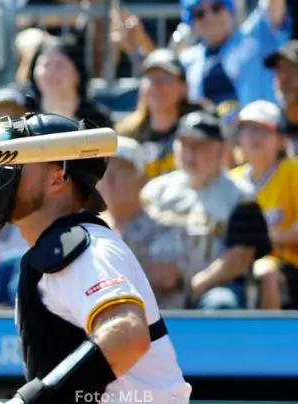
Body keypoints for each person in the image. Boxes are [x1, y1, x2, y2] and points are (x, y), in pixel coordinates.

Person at [0, 113, 212, 404]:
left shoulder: (85, 245)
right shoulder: (54, 250)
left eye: (13, 160)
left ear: (58, 175)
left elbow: (128, 331)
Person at [141, 110, 271, 309]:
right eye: (184, 143)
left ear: (221, 150)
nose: (190, 152)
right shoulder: (154, 192)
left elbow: (242, 253)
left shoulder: (241, 194)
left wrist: (201, 282)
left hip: (215, 286)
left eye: (200, 145)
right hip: (157, 285)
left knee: (221, 303)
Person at [98, 137, 197, 310]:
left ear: (142, 179)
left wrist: (96, 278)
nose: (109, 179)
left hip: (162, 327)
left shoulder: (169, 227)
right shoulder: (89, 228)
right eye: (104, 171)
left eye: (120, 171)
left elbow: (165, 276)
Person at [229, 100, 298, 310]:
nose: (255, 136)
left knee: (264, 270)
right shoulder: (231, 180)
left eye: (264, 130)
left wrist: (264, 239)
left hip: (288, 265)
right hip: (237, 265)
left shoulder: (292, 171)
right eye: (248, 129)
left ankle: (271, 341)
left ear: (280, 139)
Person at [115, 49, 199, 180]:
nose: (156, 86)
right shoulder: (126, 134)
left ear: (184, 87)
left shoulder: (197, 133)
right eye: (150, 78)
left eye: (165, 79)